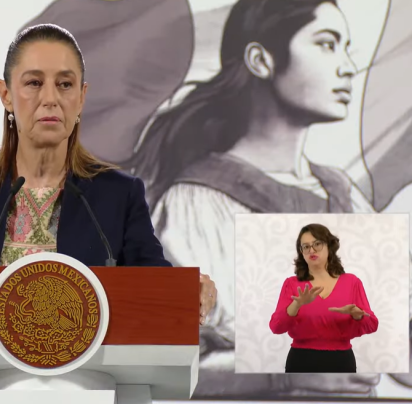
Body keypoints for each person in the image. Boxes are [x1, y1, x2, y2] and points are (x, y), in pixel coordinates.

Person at [0, 23, 218, 401]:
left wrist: (189, 292)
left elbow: (156, 287)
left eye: (65, 84)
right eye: (34, 83)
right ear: (6, 94)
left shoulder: (118, 194)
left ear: (82, 97)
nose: (50, 98)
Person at [125, 0, 388, 397]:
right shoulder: (196, 205)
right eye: (326, 44)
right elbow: (162, 365)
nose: (349, 67)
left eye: (346, 48)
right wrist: (288, 373)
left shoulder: (345, 195)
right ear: (261, 60)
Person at [269, 223, 378, 373]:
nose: (311, 250)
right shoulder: (292, 284)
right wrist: (296, 305)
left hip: (341, 361)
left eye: (317, 244)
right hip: (301, 360)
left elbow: (372, 324)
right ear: (301, 252)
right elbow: (276, 327)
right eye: (306, 247)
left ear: (329, 246)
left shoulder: (352, 282)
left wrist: (357, 315)